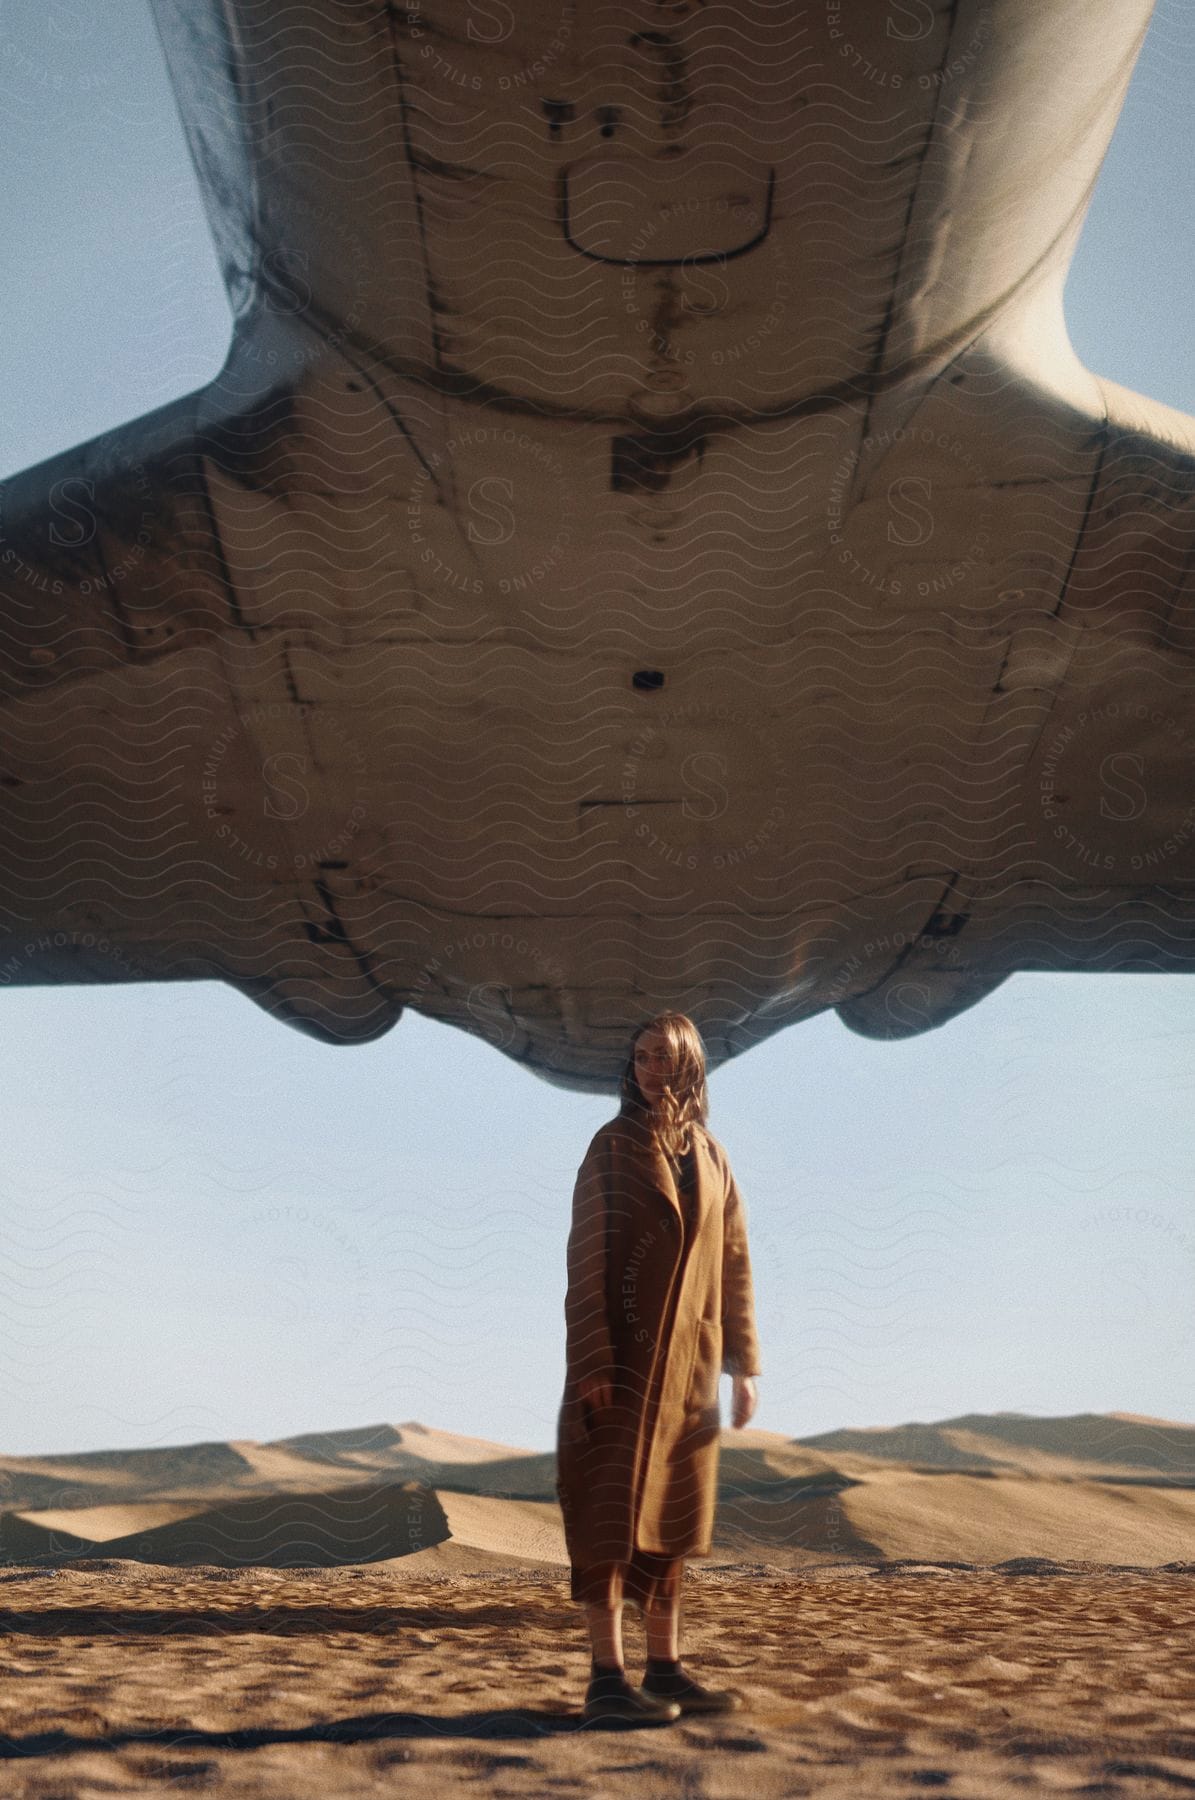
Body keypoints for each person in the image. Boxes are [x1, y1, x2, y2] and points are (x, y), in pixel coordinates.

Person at [556, 1011, 762, 1727]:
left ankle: (666, 1669)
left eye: (663, 1058)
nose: (649, 1070)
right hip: (618, 1364)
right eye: (640, 1057)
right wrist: (591, 1356)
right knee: (606, 1519)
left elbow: (734, 1265)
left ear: (690, 1067)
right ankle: (606, 1679)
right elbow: (586, 1255)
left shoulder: (713, 1156)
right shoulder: (612, 1146)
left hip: (691, 1374)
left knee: (673, 1523)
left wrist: (743, 1365)